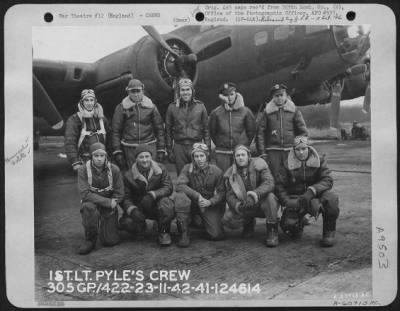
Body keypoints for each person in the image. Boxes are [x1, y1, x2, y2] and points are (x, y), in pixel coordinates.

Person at [275, 136, 339, 247]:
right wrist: (288, 202)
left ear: (308, 148)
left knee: (331, 199)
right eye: (298, 149)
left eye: (304, 149)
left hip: (315, 197)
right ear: (293, 150)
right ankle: (297, 225)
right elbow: (279, 186)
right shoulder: (287, 164)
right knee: (287, 224)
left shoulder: (319, 160)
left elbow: (327, 180)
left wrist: (312, 190)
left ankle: (329, 233)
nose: (301, 152)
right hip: (297, 199)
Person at [223, 145, 280, 247]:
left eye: (243, 155)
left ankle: (272, 230)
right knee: (228, 218)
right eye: (238, 155)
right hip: (245, 203)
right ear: (234, 158)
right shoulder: (230, 173)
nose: (240, 157)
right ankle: (248, 223)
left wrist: (254, 195)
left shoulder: (260, 165)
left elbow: (269, 182)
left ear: (248, 156)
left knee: (271, 197)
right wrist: (238, 206)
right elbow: (229, 195)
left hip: (261, 202)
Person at [119, 144, 174, 246]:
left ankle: (164, 231)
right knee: (127, 223)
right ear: (136, 159)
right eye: (141, 157)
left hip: (157, 204)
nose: (144, 160)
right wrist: (132, 210)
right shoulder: (128, 175)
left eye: (147, 156)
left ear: (151, 157)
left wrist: (153, 194)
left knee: (167, 205)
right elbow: (125, 197)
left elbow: (168, 187)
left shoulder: (161, 169)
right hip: (139, 207)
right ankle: (141, 225)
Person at [174, 143, 225, 247]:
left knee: (216, 235)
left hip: (207, 203)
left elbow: (221, 192)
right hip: (192, 202)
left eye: (202, 156)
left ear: (207, 156)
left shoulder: (216, 171)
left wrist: (211, 202)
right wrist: (197, 196)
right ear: (193, 157)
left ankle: (202, 221)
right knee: (181, 198)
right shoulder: (187, 168)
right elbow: (179, 185)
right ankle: (184, 231)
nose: (199, 159)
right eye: (196, 156)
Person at [77, 142, 124, 255]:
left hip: (109, 204)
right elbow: (85, 193)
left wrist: (113, 202)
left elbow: (120, 193)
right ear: (91, 157)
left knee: (110, 241)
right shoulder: (83, 170)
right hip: (93, 202)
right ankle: (90, 239)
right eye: (96, 156)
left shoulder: (114, 169)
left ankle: (108, 227)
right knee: (88, 208)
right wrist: (107, 202)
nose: (99, 159)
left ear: (106, 156)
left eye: (102, 156)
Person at [112, 78, 166, 171]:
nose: (136, 94)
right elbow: (116, 131)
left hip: (149, 144)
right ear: (128, 92)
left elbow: (159, 129)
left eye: (138, 91)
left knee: (153, 174)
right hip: (130, 147)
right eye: (133, 91)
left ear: (142, 90)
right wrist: (118, 151)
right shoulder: (121, 108)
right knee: (133, 175)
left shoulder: (151, 107)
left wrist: (161, 148)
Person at [256, 83, 308, 179]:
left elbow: (302, 131)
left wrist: (300, 149)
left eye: (281, 95)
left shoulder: (294, 111)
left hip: (290, 150)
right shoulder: (267, 113)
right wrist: (263, 152)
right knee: (275, 176)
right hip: (273, 152)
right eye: (276, 96)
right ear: (273, 97)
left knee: (292, 176)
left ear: (286, 96)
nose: (279, 98)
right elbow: (260, 134)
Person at [165, 78, 211, 175]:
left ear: (192, 91)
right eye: (182, 90)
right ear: (179, 92)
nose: (185, 93)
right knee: (182, 175)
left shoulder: (200, 106)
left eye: (188, 89)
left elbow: (206, 130)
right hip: (179, 147)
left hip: (196, 145)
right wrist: (169, 150)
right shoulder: (172, 107)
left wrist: (207, 149)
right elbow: (168, 131)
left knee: (197, 174)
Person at [209, 82, 256, 173]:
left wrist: (243, 145)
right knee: (224, 177)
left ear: (236, 94)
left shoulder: (246, 112)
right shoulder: (216, 113)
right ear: (222, 97)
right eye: (226, 95)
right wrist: (221, 143)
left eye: (232, 94)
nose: (229, 97)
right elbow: (212, 132)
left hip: (240, 152)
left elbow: (251, 131)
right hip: (222, 153)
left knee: (241, 178)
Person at [65, 89, 110, 172]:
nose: (89, 103)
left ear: (95, 102)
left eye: (91, 100)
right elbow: (70, 142)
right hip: (84, 160)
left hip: (101, 159)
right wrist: (75, 161)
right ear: (82, 102)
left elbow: (110, 139)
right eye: (86, 100)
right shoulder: (74, 119)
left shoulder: (102, 119)